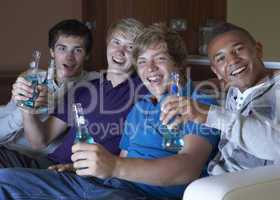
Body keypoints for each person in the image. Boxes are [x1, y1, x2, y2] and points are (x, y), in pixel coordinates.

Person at [0, 23, 218, 200]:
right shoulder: (141, 106)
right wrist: (26, 107)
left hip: (124, 190)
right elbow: (42, 140)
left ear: (178, 63)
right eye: (143, 61)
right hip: (93, 180)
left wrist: (114, 167)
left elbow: (188, 167)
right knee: (5, 180)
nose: (149, 69)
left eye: (159, 59)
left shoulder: (196, 101)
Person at [160, 22, 280, 176]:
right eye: (221, 59)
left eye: (239, 50)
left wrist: (211, 115)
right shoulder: (234, 91)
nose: (232, 61)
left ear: (258, 50)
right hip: (219, 177)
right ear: (216, 71)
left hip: (256, 183)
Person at [0, 19, 99, 157]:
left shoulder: (92, 83)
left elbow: (40, 143)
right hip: (6, 147)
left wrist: (53, 102)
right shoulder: (32, 78)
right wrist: (24, 107)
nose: (69, 57)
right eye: (62, 48)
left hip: (34, 160)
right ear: (52, 52)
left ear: (87, 55)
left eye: (77, 50)